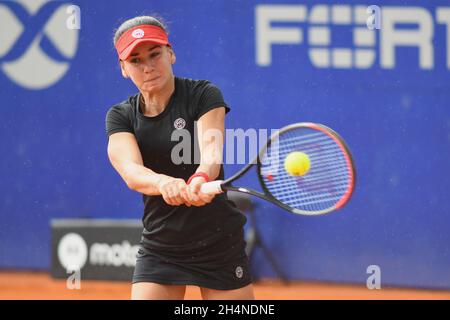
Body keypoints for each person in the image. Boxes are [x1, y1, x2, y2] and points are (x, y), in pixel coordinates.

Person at [105, 16, 254, 300]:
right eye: (135, 60)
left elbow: (211, 152)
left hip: (218, 243)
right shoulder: (121, 116)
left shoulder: (204, 94)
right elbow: (131, 171)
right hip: (161, 246)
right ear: (124, 69)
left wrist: (200, 178)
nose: (148, 67)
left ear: (170, 53)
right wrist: (164, 184)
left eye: (155, 54)